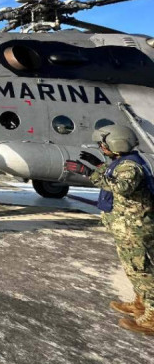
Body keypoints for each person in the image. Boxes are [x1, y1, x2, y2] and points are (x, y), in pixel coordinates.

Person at [77, 124, 154, 335]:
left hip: (134, 229)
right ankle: (140, 304)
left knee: (141, 270)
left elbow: (122, 187)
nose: (101, 147)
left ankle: (153, 317)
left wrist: (89, 173)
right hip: (127, 228)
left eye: (103, 144)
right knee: (134, 269)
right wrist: (99, 166)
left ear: (116, 143)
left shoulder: (130, 166)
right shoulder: (123, 163)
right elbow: (114, 177)